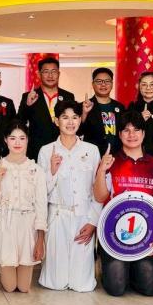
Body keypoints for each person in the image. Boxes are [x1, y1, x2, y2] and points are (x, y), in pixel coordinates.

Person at [93, 110, 153, 297]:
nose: (131, 135)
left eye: (136, 130)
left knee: (150, 289)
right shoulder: (111, 162)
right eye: (126, 130)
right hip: (114, 235)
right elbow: (99, 197)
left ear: (143, 134)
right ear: (120, 134)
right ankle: (111, 264)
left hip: (147, 235)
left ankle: (132, 268)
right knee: (116, 289)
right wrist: (101, 170)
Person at [38, 101, 101, 292]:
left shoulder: (91, 150)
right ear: (56, 121)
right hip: (57, 216)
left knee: (82, 285)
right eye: (65, 117)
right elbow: (40, 193)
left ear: (80, 120)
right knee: (55, 283)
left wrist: (93, 222)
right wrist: (52, 171)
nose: (70, 122)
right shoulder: (46, 151)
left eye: (75, 117)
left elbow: (97, 190)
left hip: (83, 216)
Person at [0, 121, 47, 293]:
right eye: (12, 138)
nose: (17, 142)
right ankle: (3, 269)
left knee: (24, 288)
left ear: (28, 140)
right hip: (6, 225)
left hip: (28, 226)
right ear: (6, 140)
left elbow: (41, 205)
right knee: (10, 287)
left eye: (22, 138)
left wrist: (40, 239)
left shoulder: (36, 170)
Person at [18, 57, 75, 161]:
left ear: (59, 74)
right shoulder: (29, 96)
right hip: (36, 151)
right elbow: (19, 122)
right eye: (46, 72)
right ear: (39, 74)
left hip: (63, 151)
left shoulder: (68, 96)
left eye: (54, 71)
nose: (50, 75)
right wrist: (27, 105)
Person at [79, 67, 124, 155]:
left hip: (116, 155)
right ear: (93, 84)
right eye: (99, 81)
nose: (103, 84)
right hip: (92, 155)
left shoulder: (120, 107)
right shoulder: (83, 106)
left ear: (112, 84)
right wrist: (84, 113)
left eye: (107, 81)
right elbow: (78, 132)